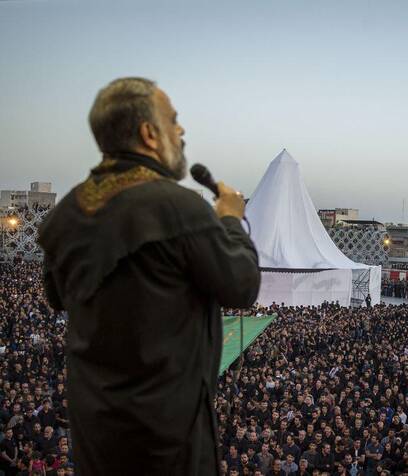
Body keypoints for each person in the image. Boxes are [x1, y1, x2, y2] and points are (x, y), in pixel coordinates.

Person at [37, 77, 261, 475]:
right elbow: (242, 284)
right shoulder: (178, 207)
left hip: (96, 431)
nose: (181, 130)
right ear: (148, 134)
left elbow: (58, 296)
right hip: (166, 437)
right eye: (172, 120)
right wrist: (229, 218)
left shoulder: (68, 212)